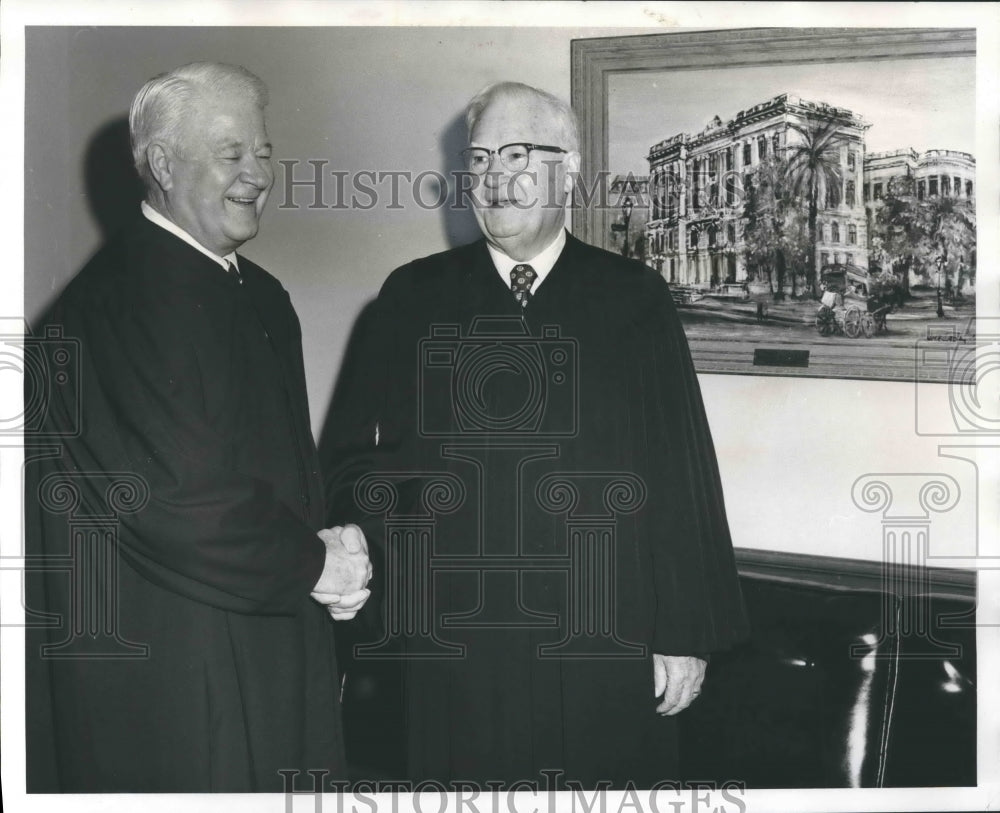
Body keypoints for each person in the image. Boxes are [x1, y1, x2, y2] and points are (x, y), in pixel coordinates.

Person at [325, 82, 748, 790]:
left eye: (517, 153)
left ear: (570, 168)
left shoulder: (634, 300)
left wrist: (683, 635)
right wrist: (362, 542)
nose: (495, 177)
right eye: (480, 158)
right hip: (457, 655)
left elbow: (680, 472)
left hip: (606, 647)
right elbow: (350, 460)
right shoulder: (411, 298)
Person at [25, 62, 371, 793]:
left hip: (261, 632)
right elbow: (176, 497)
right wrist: (315, 564)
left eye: (265, 152)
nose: (257, 174)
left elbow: (273, 477)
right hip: (178, 670)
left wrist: (329, 539)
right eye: (231, 153)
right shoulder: (116, 304)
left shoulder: (260, 294)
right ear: (160, 164)